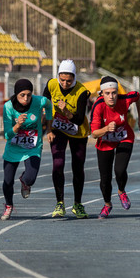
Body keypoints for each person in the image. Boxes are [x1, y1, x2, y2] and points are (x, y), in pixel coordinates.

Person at [42, 60, 91, 219]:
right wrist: (47, 129)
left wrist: (66, 112)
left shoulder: (82, 91)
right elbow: (44, 105)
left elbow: (77, 119)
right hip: (58, 129)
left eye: (68, 80)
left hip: (78, 131)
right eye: (61, 79)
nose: (64, 83)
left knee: (78, 167)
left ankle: (77, 203)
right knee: (58, 163)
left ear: (74, 78)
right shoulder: (51, 84)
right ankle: (60, 203)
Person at [90, 76, 140, 219]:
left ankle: (121, 191)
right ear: (102, 94)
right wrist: (106, 128)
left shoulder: (125, 99)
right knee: (105, 179)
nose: (111, 96)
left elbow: (138, 96)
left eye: (114, 92)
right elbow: (94, 133)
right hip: (105, 141)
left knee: (119, 170)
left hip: (124, 137)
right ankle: (107, 204)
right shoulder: (98, 106)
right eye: (107, 93)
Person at [1, 79, 53, 220]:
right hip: (13, 147)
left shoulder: (39, 101)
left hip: (33, 147)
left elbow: (49, 106)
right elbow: (7, 134)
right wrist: (17, 126)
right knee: (7, 181)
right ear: (16, 94)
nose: (26, 99)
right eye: (22, 95)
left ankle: (24, 182)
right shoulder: (8, 107)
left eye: (29, 95)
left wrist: (49, 128)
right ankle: (8, 205)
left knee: (30, 178)